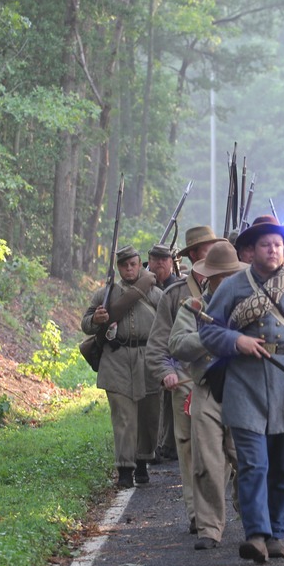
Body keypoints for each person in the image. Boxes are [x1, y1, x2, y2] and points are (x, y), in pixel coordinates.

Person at [199, 216, 284, 563]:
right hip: (245, 386)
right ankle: (255, 534)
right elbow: (207, 331)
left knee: (283, 467)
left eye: (278, 245)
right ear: (251, 251)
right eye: (266, 245)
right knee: (253, 465)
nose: (273, 250)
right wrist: (236, 339)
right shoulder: (232, 287)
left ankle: (276, 534)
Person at [146, 227, 225, 534]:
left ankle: (225, 503)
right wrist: (168, 372)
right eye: (207, 249)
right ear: (194, 256)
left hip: (227, 380)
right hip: (186, 382)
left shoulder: (232, 287)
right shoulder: (175, 294)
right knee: (190, 448)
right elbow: (158, 345)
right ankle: (198, 513)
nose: (213, 255)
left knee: (229, 447)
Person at [169, 240, 247, 550]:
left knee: (249, 460)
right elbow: (177, 345)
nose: (226, 282)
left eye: (231, 275)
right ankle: (209, 527)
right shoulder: (194, 308)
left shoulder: (251, 304)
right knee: (207, 461)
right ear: (207, 278)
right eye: (219, 276)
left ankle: (253, 518)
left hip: (244, 390)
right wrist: (212, 337)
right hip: (206, 388)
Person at [82, 245, 163, 488]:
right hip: (116, 358)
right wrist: (96, 320)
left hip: (147, 357)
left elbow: (169, 324)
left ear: (140, 265)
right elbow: (85, 324)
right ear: (118, 268)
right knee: (124, 417)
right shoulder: (105, 294)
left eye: (133, 264)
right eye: (124, 265)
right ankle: (125, 470)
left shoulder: (155, 294)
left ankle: (142, 461)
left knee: (149, 415)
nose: (129, 268)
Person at [148, 243, 182, 463]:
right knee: (151, 403)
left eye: (165, 258)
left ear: (171, 262)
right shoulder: (143, 286)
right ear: (149, 261)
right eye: (156, 258)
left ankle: (169, 443)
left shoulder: (177, 288)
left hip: (174, 350)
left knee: (172, 403)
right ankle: (154, 444)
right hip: (151, 349)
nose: (160, 262)